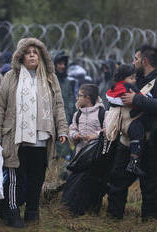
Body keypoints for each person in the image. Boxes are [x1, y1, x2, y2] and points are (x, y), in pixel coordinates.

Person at [0, 38, 68, 228]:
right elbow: (0, 108)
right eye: (28, 52)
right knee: (15, 177)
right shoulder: (10, 77)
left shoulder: (50, 77)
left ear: (41, 55)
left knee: (37, 177)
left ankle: (32, 211)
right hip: (16, 137)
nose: (32, 55)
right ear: (21, 56)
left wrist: (62, 129)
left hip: (42, 138)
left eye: (36, 51)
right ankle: (13, 212)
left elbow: (58, 105)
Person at [107, 45, 157, 220]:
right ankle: (114, 218)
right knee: (118, 178)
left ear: (144, 61)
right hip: (128, 138)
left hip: (150, 141)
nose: (133, 62)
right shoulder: (134, 79)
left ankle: (149, 222)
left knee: (150, 184)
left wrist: (137, 99)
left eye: (136, 59)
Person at [62, 84, 109, 216]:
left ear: (87, 97)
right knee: (76, 182)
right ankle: (75, 209)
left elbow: (109, 131)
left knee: (92, 182)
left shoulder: (102, 113)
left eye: (80, 96)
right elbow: (72, 128)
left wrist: (95, 136)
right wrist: (74, 135)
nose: (78, 98)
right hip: (80, 155)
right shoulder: (77, 114)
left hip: (95, 157)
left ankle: (92, 210)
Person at [105, 64, 148, 176]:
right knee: (138, 136)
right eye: (131, 78)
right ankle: (134, 162)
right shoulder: (129, 87)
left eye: (135, 78)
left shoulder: (114, 87)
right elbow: (140, 99)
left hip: (121, 124)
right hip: (131, 121)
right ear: (123, 78)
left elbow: (110, 98)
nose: (134, 80)